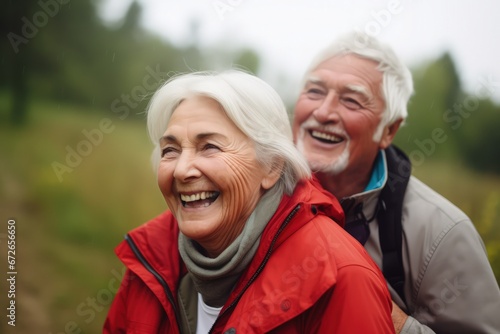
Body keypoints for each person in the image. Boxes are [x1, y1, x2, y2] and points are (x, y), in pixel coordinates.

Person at [103, 70, 395, 333]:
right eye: (170, 150)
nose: (182, 169)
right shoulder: (152, 257)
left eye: (210, 147)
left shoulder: (341, 277)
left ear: (271, 167)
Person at [292, 31, 500, 334]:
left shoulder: (441, 234)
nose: (323, 112)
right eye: (314, 92)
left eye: (351, 100)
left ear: (389, 130)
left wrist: (381, 312)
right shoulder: (252, 193)